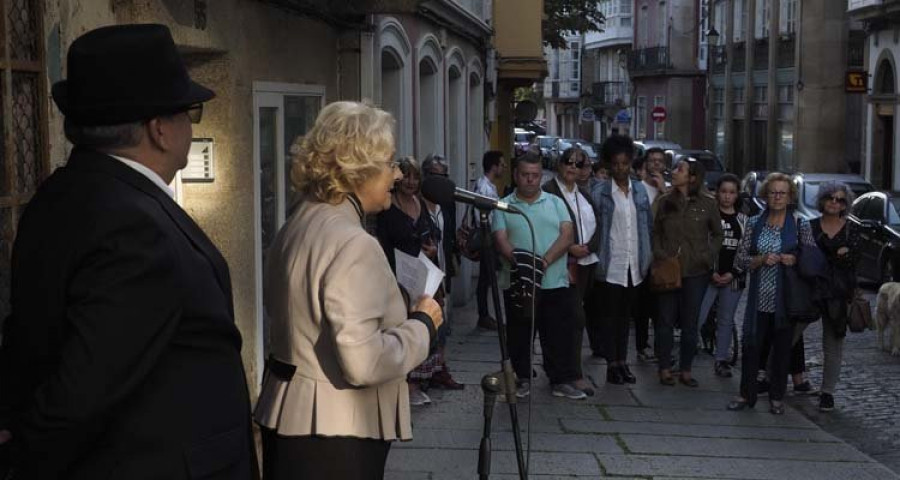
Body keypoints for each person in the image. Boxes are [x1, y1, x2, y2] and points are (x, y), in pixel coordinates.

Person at [0, 24, 256, 478]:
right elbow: (83, 391)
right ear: (159, 129)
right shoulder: (136, 227)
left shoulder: (63, 194)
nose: (190, 128)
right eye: (189, 113)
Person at [255, 101, 442, 479]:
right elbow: (363, 362)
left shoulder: (298, 222)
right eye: (390, 163)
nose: (396, 175)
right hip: (336, 433)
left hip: (293, 420)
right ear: (360, 169)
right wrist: (423, 324)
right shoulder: (353, 241)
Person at [493, 152, 583, 400]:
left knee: (557, 332)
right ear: (515, 175)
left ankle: (560, 380)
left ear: (541, 176)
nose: (530, 180)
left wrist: (543, 262)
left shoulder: (555, 202)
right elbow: (501, 240)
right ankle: (521, 378)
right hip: (518, 282)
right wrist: (524, 265)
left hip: (554, 281)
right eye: (525, 175)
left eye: (535, 175)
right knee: (519, 333)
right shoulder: (504, 205)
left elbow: (567, 235)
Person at [727, 172, 815, 415]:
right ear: (765, 195)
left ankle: (777, 397)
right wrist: (761, 259)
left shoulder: (800, 223)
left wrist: (793, 259)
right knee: (751, 345)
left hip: (786, 300)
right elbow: (741, 260)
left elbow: (812, 261)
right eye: (773, 192)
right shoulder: (755, 223)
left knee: (782, 349)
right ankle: (746, 393)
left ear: (790, 197)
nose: (777, 197)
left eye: (782, 193)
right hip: (759, 298)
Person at [376, 157, 442, 405]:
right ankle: (404, 384)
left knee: (424, 323)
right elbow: (383, 241)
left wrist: (431, 249)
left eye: (415, 177)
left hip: (422, 274)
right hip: (397, 276)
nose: (411, 182)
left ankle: (419, 381)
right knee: (400, 326)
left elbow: (431, 233)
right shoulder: (386, 207)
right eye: (406, 176)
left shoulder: (420, 203)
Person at [652, 158, 723, 387]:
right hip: (668, 269)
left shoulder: (707, 204)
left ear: (692, 177)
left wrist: (707, 255)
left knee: (690, 323)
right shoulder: (664, 202)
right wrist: (660, 253)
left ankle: (686, 369)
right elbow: (654, 231)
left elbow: (718, 234)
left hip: (696, 271)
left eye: (679, 169)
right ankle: (664, 367)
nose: (674, 172)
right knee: (665, 320)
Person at [590, 135, 653, 385]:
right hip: (611, 260)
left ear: (631, 163)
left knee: (626, 315)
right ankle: (611, 364)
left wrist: (648, 256)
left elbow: (646, 225)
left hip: (634, 261)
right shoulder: (600, 192)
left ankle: (623, 362)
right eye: (616, 164)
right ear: (608, 164)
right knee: (610, 315)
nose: (620, 169)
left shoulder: (640, 190)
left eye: (625, 164)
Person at [795, 181, 860, 412]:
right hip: (810, 290)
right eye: (831, 198)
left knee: (833, 345)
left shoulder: (852, 229)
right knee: (789, 335)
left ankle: (827, 393)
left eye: (840, 199)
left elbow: (853, 261)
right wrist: (839, 254)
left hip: (838, 293)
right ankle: (771, 378)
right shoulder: (808, 226)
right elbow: (805, 260)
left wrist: (836, 257)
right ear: (822, 200)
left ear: (846, 204)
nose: (835, 202)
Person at [543, 147, 600, 395]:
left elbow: (598, 224)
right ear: (559, 163)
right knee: (572, 318)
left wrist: (589, 247)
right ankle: (568, 374)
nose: (572, 168)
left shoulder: (584, 195)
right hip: (560, 265)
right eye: (568, 162)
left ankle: (565, 371)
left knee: (574, 319)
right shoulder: (548, 192)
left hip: (585, 264)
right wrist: (570, 248)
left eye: (579, 164)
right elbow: (547, 228)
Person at [420, 155, 465, 392]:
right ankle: (423, 374)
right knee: (427, 324)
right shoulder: (417, 205)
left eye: (444, 177)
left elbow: (447, 236)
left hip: (442, 271)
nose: (440, 182)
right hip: (423, 275)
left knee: (443, 326)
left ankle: (439, 369)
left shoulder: (447, 203)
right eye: (435, 176)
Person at [697, 174, 748, 378]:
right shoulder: (708, 216)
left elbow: (746, 250)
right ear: (717, 193)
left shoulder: (743, 221)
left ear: (737, 195)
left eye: (732, 192)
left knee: (726, 320)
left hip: (733, 279)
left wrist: (732, 273)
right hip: (707, 276)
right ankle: (686, 356)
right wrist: (711, 272)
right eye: (724, 192)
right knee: (698, 316)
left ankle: (721, 360)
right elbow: (700, 245)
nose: (727, 196)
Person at [474, 150, 506, 330]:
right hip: (487, 237)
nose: (504, 168)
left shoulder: (489, 186)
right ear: (494, 166)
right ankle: (484, 315)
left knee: (487, 278)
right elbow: (481, 216)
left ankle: (485, 314)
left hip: (491, 237)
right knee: (486, 278)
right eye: (501, 165)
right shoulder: (484, 188)